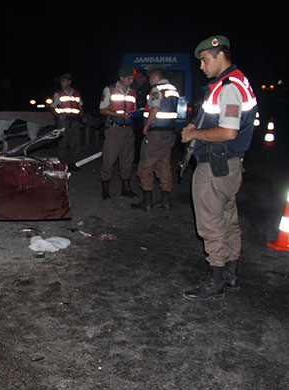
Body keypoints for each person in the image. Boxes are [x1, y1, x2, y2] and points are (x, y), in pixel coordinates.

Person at [180, 35, 258, 301]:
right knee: (227, 220)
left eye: (204, 61)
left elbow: (227, 132)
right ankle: (230, 275)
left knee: (211, 225)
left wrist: (194, 135)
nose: (202, 67)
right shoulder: (236, 82)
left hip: (216, 166)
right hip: (229, 166)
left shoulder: (228, 87)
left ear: (219, 55)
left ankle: (215, 282)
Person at [131, 66, 179, 211]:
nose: (149, 80)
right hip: (168, 133)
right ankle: (166, 200)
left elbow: (155, 108)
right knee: (164, 166)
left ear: (155, 77)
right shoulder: (173, 90)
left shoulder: (156, 90)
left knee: (146, 165)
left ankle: (147, 202)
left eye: (150, 77)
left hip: (156, 134)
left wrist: (146, 126)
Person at [99, 65, 137, 199]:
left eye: (132, 78)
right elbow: (102, 109)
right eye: (129, 78)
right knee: (109, 158)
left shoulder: (133, 92)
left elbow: (133, 108)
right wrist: (120, 116)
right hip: (114, 129)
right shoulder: (110, 90)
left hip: (128, 129)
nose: (131, 81)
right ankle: (105, 188)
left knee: (127, 159)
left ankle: (126, 188)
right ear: (121, 78)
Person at [52, 73, 86, 159]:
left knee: (75, 142)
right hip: (63, 121)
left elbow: (80, 107)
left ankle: (72, 163)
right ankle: (62, 163)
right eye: (61, 81)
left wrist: (83, 117)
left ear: (69, 82)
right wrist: (58, 115)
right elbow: (52, 107)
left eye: (63, 81)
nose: (61, 83)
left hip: (75, 121)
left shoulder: (77, 94)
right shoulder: (58, 94)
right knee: (62, 142)